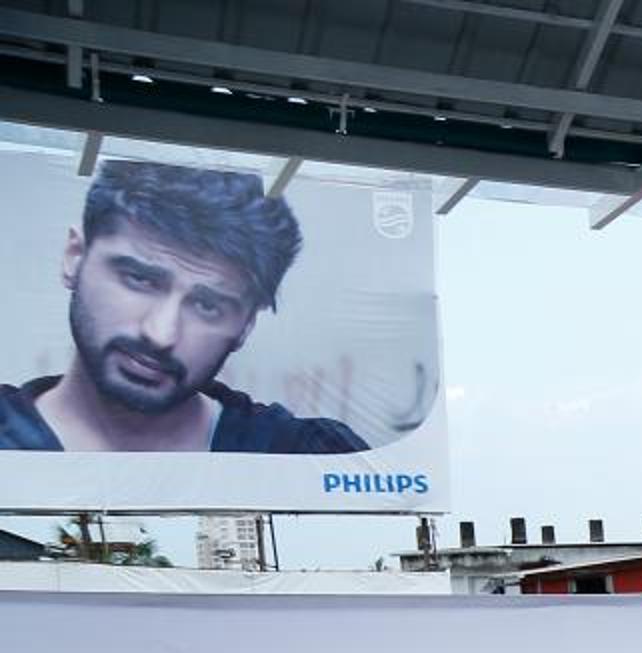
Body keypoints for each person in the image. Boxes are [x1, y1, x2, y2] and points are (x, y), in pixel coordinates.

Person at [1, 160, 367, 454]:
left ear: (246, 325)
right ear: (74, 257)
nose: (160, 334)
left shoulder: (308, 456)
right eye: (140, 279)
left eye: (207, 305)